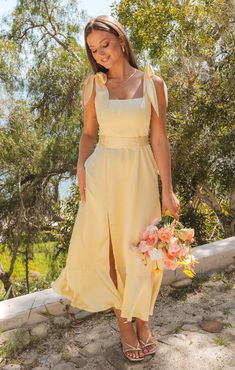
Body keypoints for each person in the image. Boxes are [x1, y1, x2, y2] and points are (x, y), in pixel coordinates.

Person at [51, 14, 180, 362]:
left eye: (104, 45)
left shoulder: (154, 84)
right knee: (108, 251)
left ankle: (143, 320)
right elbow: (89, 133)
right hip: (102, 173)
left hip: (139, 173)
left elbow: (159, 137)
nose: (100, 54)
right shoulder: (93, 86)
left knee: (140, 250)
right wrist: (80, 164)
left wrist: (167, 189)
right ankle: (125, 324)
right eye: (93, 50)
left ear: (121, 41)